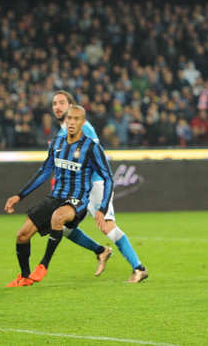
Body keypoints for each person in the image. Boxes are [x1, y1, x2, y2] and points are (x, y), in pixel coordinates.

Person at [4, 103, 114, 287]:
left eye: (76, 119)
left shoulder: (91, 147)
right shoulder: (57, 143)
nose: (72, 122)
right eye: (69, 118)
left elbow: (108, 178)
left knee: (58, 217)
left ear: (83, 122)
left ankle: (43, 265)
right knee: (22, 235)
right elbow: (43, 172)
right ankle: (24, 277)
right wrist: (19, 196)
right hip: (55, 197)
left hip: (77, 200)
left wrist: (102, 208)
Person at [52, 91, 148, 283]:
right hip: (78, 188)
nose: (57, 107)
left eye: (62, 103)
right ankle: (101, 250)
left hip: (94, 183)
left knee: (107, 225)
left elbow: (93, 156)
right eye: (54, 103)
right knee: (61, 225)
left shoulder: (84, 127)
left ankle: (139, 268)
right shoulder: (64, 131)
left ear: (72, 106)